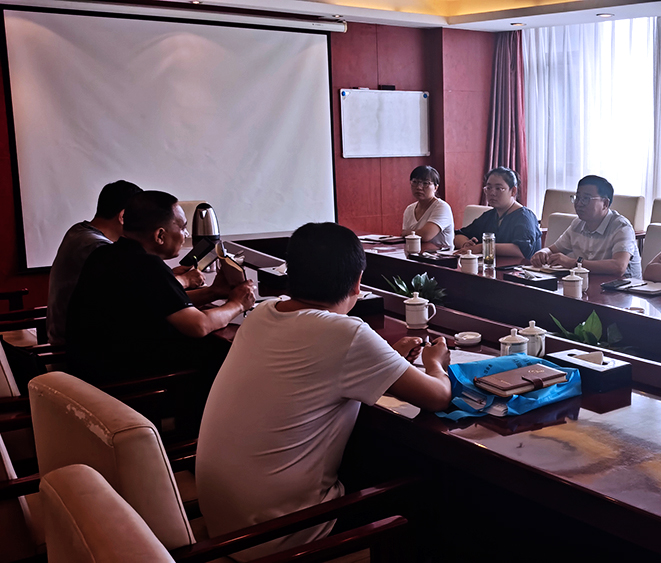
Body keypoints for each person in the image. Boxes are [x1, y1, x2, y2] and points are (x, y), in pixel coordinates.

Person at [196, 222, 453, 561]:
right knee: (434, 494)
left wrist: (387, 357)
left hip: (225, 527)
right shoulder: (347, 334)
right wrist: (435, 363)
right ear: (358, 282)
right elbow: (438, 397)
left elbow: (322, 364)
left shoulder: (260, 314)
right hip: (283, 538)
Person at [66, 191, 255, 384]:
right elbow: (199, 325)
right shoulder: (146, 265)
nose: (186, 235)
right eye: (183, 228)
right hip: (122, 381)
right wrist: (238, 304)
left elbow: (163, 304)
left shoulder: (106, 254)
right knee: (222, 354)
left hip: (86, 370)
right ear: (160, 235)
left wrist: (213, 292)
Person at [46, 181, 204, 345]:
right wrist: (184, 280)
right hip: (76, 342)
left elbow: (136, 287)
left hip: (78, 336)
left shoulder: (78, 231)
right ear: (123, 216)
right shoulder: (99, 248)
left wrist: (168, 277)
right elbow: (143, 288)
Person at [531, 175, 642, 278]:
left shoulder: (621, 227)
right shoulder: (578, 224)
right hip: (591, 285)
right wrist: (542, 253)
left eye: (586, 199)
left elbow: (619, 267)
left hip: (624, 288)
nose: (579, 204)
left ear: (605, 204)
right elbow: (552, 250)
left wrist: (574, 263)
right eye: (578, 198)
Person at [453, 167, 541, 259]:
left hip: (520, 267)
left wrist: (483, 247)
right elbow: (459, 235)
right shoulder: (489, 215)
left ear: (513, 191)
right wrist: (466, 245)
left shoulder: (524, 217)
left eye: (498, 188)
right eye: (489, 188)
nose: (492, 193)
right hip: (490, 266)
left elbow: (521, 250)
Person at [400, 165, 454, 251]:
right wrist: (407, 234)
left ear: (435, 187)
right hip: (416, 255)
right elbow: (406, 238)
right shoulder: (409, 209)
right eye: (415, 182)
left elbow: (425, 235)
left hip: (440, 257)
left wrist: (406, 233)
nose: (419, 187)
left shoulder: (442, 207)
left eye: (425, 183)